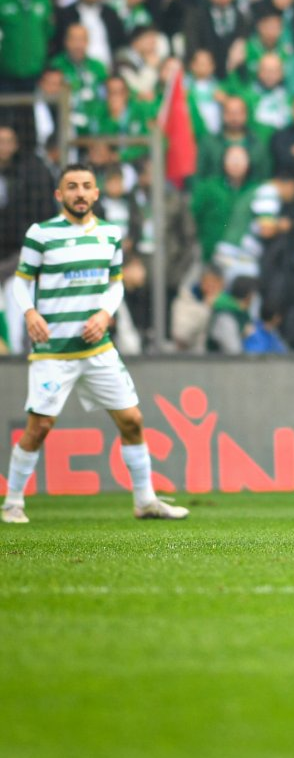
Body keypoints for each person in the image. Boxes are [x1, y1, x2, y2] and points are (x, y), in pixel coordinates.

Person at [1, 163, 189, 524]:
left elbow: (115, 283)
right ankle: (12, 503)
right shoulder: (41, 234)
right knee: (39, 427)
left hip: (97, 349)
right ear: (59, 194)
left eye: (86, 186)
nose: (80, 193)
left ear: (96, 193)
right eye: (72, 187)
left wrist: (104, 313)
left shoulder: (109, 234)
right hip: (54, 351)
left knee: (132, 420)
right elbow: (22, 282)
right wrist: (30, 313)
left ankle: (145, 501)